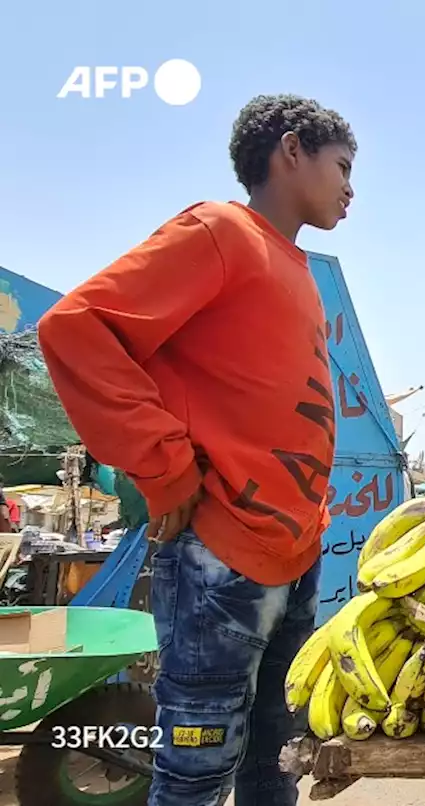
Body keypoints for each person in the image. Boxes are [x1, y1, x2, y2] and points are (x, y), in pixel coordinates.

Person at [38, 93, 356, 806]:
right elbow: (77, 328)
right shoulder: (220, 231)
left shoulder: (297, 267)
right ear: (292, 149)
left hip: (296, 554)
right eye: (341, 166)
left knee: (276, 762)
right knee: (197, 774)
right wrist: (165, 466)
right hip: (221, 559)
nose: (351, 187)